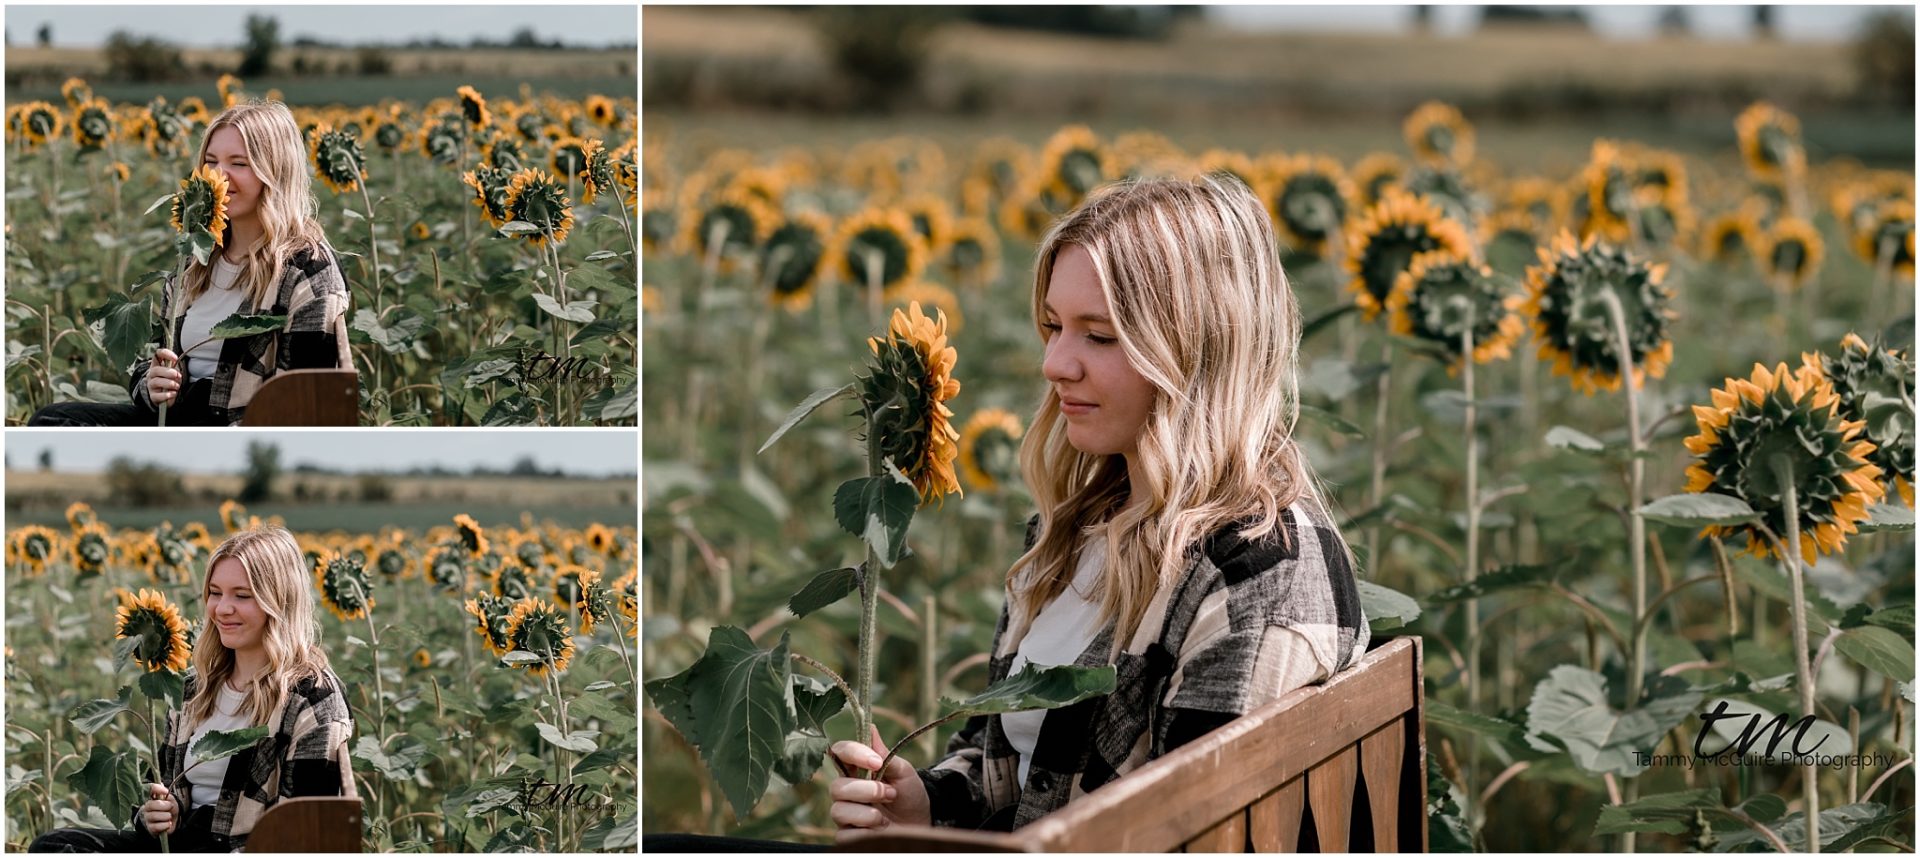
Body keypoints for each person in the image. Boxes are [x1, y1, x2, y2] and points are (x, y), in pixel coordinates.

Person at [826, 173, 1370, 840]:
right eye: (1053, 327)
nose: (1056, 363)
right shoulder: (1079, 527)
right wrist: (925, 808)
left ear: (1199, 350)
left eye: (1100, 336)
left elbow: (1200, 833)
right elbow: (1006, 765)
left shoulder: (1257, 571)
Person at [29, 526, 356, 852]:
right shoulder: (193, 688)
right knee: (56, 846)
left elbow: (309, 827)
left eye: (242, 595)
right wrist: (157, 813)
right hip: (185, 843)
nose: (222, 609)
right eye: (215, 592)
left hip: (249, 849)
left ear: (280, 601)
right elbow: (160, 793)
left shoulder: (312, 699)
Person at [29, 100, 352, 427]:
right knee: (52, 420)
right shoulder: (198, 255)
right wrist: (153, 384)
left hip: (242, 428)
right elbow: (154, 359)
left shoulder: (307, 270)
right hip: (180, 419)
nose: (218, 176)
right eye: (210, 161)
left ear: (275, 171)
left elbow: (310, 396)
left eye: (239, 163)